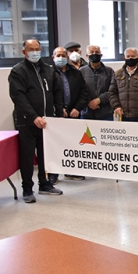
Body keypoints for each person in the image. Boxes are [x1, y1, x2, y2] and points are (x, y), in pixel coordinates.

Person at [9, 39, 64, 202]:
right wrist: (33, 117)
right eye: (31, 49)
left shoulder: (48, 70)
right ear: (24, 52)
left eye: (37, 49)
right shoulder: (18, 71)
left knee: (45, 154)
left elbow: (57, 92)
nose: (35, 52)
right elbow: (18, 96)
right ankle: (27, 189)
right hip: (27, 122)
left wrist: (58, 113)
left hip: (47, 121)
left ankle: (45, 183)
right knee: (27, 156)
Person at [48, 46, 89, 184]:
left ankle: (71, 171)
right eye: (58, 55)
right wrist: (59, 109)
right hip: (55, 115)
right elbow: (48, 95)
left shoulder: (76, 73)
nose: (61, 57)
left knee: (72, 143)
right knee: (54, 145)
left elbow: (84, 92)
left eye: (63, 55)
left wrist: (77, 108)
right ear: (53, 57)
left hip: (73, 114)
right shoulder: (48, 73)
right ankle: (53, 174)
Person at [109, 48, 138, 122]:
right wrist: (116, 106)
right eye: (128, 56)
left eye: (133, 56)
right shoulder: (117, 74)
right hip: (123, 114)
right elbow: (112, 92)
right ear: (124, 58)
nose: (130, 58)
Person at [80, 45, 114, 121]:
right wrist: (89, 102)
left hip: (105, 113)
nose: (94, 54)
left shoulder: (109, 71)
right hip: (86, 113)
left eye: (97, 52)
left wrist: (99, 100)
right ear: (86, 56)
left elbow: (113, 90)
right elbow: (79, 90)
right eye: (92, 52)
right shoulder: (81, 71)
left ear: (101, 55)